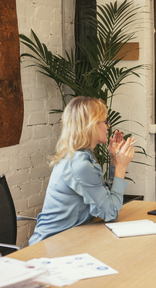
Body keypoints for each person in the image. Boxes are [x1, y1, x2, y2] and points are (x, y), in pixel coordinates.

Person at [29, 97, 135, 245]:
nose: (108, 127)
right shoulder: (79, 165)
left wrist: (115, 161)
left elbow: (107, 202)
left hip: (71, 238)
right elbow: (110, 212)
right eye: (105, 122)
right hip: (50, 247)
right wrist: (121, 167)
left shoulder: (81, 156)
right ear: (92, 125)